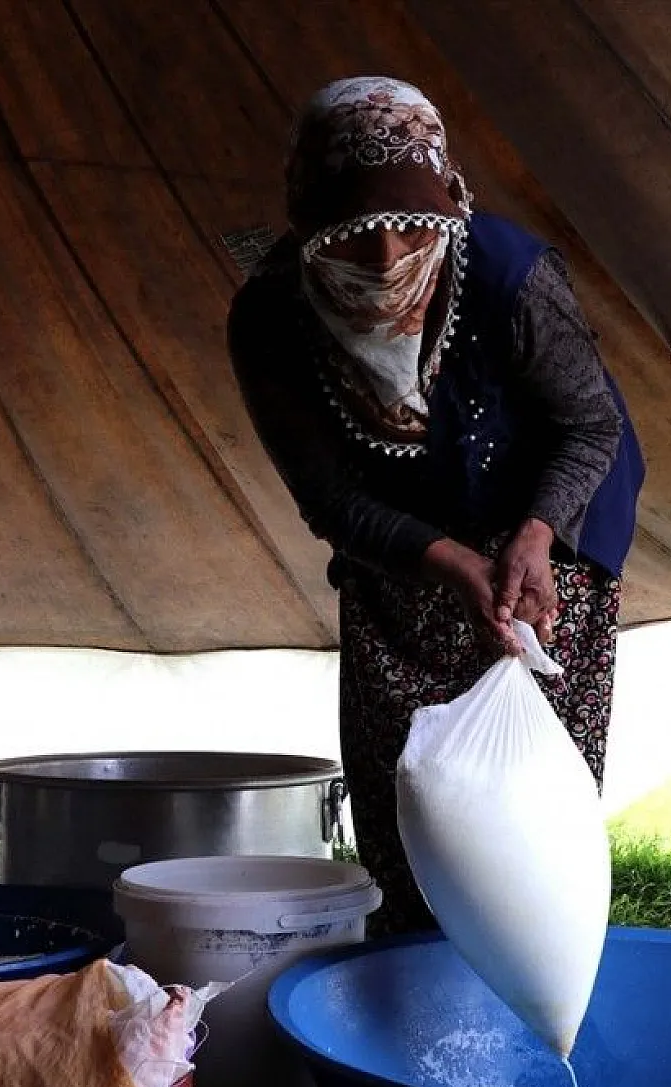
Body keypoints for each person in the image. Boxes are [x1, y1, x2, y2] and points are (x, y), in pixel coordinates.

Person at [227, 76, 645, 936]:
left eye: (411, 223)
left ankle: (534, 962)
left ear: (448, 200)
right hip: (402, 565)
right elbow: (330, 497)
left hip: (546, 551)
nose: (385, 255)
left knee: (526, 807)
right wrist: (445, 560)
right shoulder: (272, 317)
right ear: (307, 222)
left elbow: (589, 423)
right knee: (409, 793)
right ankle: (413, 990)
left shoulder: (505, 275)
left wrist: (535, 535)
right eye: (352, 232)